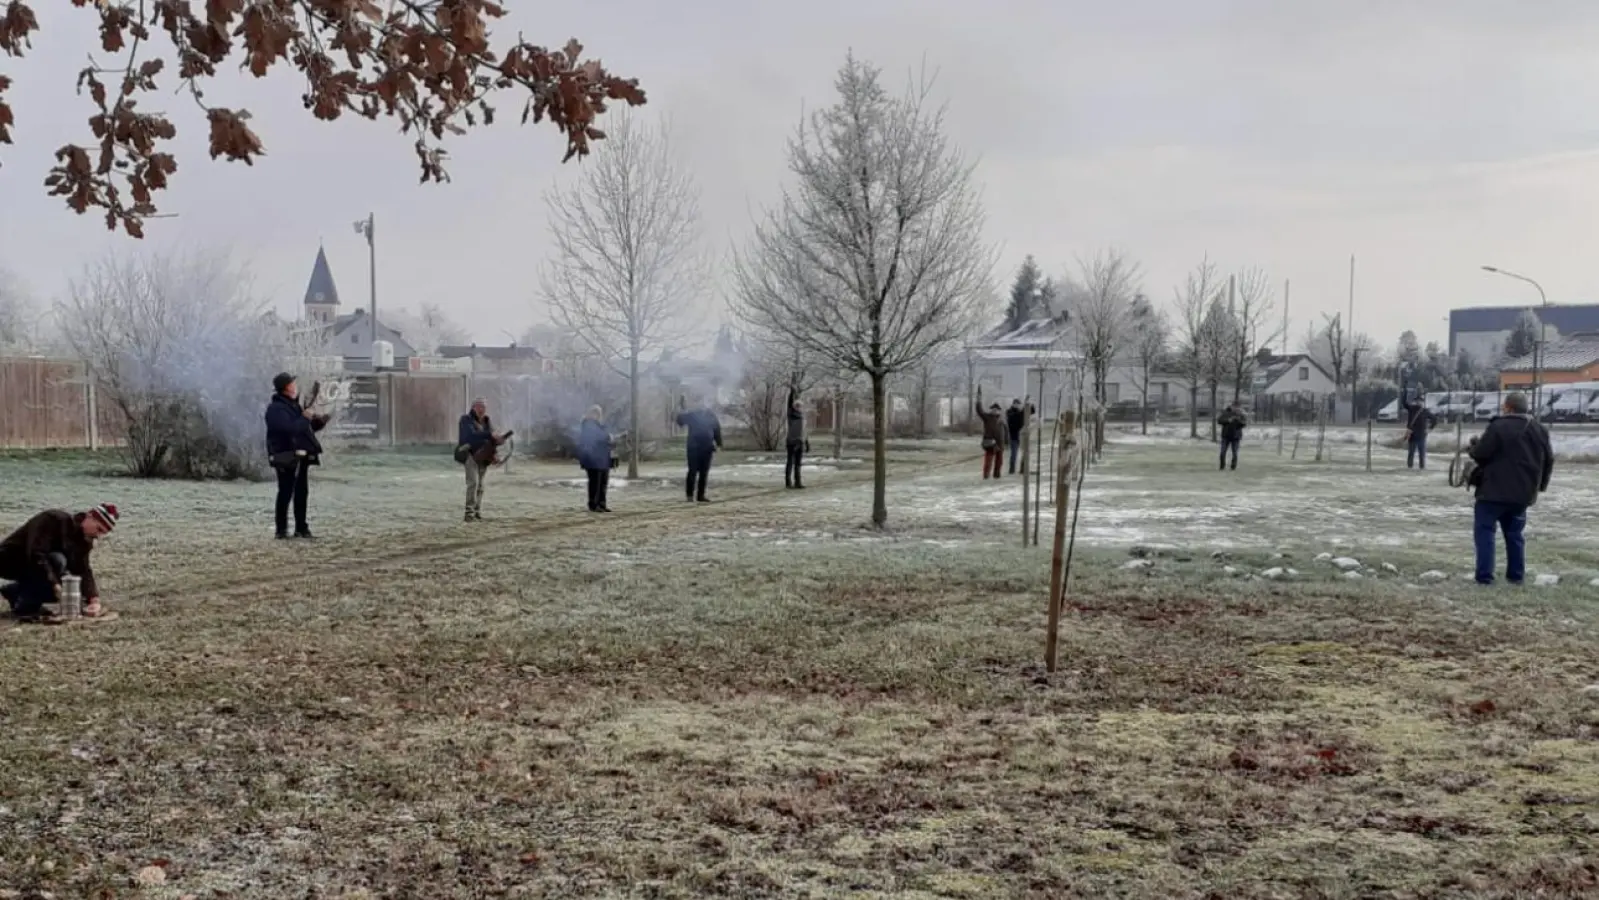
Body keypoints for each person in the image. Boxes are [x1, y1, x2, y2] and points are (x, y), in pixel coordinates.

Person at [1467, 392, 1554, 586]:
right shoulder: (1539, 429)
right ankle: (1516, 576)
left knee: (1485, 532)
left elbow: (1481, 454)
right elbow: (1549, 460)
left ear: (1508, 407)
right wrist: (1540, 486)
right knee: (1515, 534)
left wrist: (1473, 447)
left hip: (1493, 492)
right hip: (1522, 494)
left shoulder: (1498, 426)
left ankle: (1485, 577)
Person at [0, 503, 118, 619]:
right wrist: (55, 584)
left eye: (102, 533)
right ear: (90, 516)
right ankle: (25, 607)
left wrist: (93, 599)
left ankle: (15, 591)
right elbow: (36, 554)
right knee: (58, 561)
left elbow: (83, 570)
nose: (98, 535)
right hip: (9, 559)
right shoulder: (54, 520)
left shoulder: (84, 541)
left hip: (34, 568)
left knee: (71, 589)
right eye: (98, 529)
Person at [264, 373, 329, 539]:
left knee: (301, 492)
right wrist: (305, 417)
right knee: (285, 492)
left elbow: (303, 429)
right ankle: (281, 530)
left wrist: (318, 422)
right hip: (286, 456)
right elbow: (289, 430)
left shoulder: (293, 406)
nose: (295, 386)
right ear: (286, 387)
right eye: (293, 383)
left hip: (301, 456)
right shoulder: (276, 409)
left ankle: (301, 528)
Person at [456, 397, 509, 522]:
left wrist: (496, 446)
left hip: (483, 456)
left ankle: (477, 511)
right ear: (474, 407)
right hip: (470, 454)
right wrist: (490, 435)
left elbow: (491, 440)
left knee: (480, 485)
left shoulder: (486, 420)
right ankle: (469, 513)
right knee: (473, 483)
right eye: (479, 406)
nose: (482, 409)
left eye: (484, 407)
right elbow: (471, 436)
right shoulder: (466, 420)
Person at [676, 398, 723, 502]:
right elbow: (680, 421)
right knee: (692, 471)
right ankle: (689, 495)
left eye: (705, 402)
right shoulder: (692, 415)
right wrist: (681, 410)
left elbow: (717, 430)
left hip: (707, 448)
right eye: (701, 402)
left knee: (704, 473)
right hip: (693, 447)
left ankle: (701, 495)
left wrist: (719, 444)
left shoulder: (711, 416)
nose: (703, 405)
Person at [576, 405, 615, 512]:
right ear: (591, 414)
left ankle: (602, 504)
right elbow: (596, 438)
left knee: (603, 482)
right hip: (593, 459)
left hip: (603, 458)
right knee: (595, 482)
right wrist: (608, 437)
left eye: (599, 413)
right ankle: (593, 504)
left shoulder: (599, 425)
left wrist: (611, 440)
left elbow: (604, 438)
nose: (598, 415)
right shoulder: (588, 425)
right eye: (596, 413)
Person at [975, 388, 1006, 479]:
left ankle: (996, 475)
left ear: (999, 411)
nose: (995, 411)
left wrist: (1006, 442)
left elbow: (1005, 431)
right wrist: (978, 400)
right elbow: (979, 410)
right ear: (991, 410)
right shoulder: (987, 417)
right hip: (990, 443)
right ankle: (986, 476)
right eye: (994, 409)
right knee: (988, 461)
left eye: (997, 409)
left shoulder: (1001, 420)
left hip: (1000, 443)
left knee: (999, 462)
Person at [785, 387, 810, 489]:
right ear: (794, 407)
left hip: (800, 442)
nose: (799, 407)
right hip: (792, 442)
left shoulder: (802, 418)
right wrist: (792, 392)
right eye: (797, 406)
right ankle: (788, 482)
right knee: (790, 462)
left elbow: (804, 432)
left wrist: (807, 443)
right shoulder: (791, 415)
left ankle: (798, 482)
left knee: (798, 464)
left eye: (800, 406)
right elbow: (789, 404)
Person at [1404, 396, 1436, 470]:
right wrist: (1404, 391)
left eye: (1421, 401)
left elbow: (1434, 419)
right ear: (1416, 401)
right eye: (1418, 401)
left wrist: (1430, 429)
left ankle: (1422, 470)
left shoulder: (1425, 411)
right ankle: (1409, 469)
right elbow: (1404, 403)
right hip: (1412, 436)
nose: (1419, 402)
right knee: (1411, 455)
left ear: (1423, 402)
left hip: (1422, 436)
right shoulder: (1411, 409)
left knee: (1422, 456)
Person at [1005, 397, 1035, 475]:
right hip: (1014, 436)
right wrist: (1024, 409)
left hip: (1022, 436)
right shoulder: (1009, 412)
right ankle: (1012, 470)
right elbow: (1014, 418)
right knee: (1014, 454)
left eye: (1018, 404)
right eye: (1015, 404)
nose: (1017, 405)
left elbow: (1032, 411)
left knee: (1025, 453)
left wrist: (1029, 404)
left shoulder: (1021, 412)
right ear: (1013, 404)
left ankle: (1022, 469)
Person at [1217, 402, 1247, 471]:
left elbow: (1244, 424)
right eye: (1234, 407)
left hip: (1236, 437)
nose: (1236, 409)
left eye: (1238, 407)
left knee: (1235, 453)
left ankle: (1233, 467)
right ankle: (1222, 466)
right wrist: (1228, 420)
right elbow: (1219, 421)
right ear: (1231, 406)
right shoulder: (1226, 412)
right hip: (1226, 436)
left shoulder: (1241, 414)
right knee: (1222, 452)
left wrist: (1238, 420)